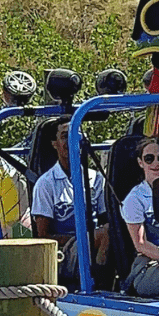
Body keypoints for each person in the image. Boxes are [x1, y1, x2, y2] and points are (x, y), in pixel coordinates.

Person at [32, 118, 110, 284]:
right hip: (64, 251)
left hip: (94, 244)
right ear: (55, 143)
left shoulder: (95, 179)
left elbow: (106, 219)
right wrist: (81, 239)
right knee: (105, 235)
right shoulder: (46, 183)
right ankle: (103, 281)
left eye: (75, 135)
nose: (70, 141)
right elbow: (42, 235)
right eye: (65, 136)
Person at [121, 136, 159, 296]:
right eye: (149, 159)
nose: (156, 164)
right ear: (140, 162)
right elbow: (140, 244)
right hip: (150, 266)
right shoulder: (135, 199)